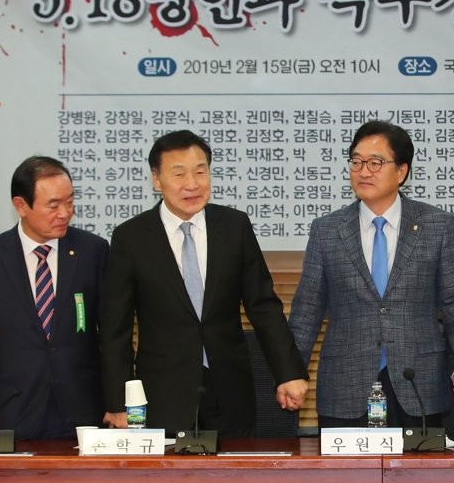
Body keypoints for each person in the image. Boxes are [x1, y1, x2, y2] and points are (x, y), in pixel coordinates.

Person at [100, 130, 308, 436]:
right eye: (179, 173)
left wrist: (288, 372)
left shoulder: (233, 227)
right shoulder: (131, 238)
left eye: (200, 171)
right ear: (156, 180)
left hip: (230, 390)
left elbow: (263, 306)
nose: (192, 184)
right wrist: (119, 401)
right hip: (162, 394)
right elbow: (114, 329)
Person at [289, 120, 454, 428]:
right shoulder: (327, 230)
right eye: (356, 161)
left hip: (418, 383)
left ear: (402, 171)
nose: (363, 171)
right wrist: (290, 372)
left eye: (375, 163)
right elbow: (307, 309)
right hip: (345, 385)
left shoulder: (436, 225)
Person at [0, 156, 109, 439]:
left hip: (84, 410)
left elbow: (111, 334)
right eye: (53, 205)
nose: (65, 213)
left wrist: (116, 402)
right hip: (13, 410)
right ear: (21, 206)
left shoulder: (93, 251)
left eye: (69, 202)